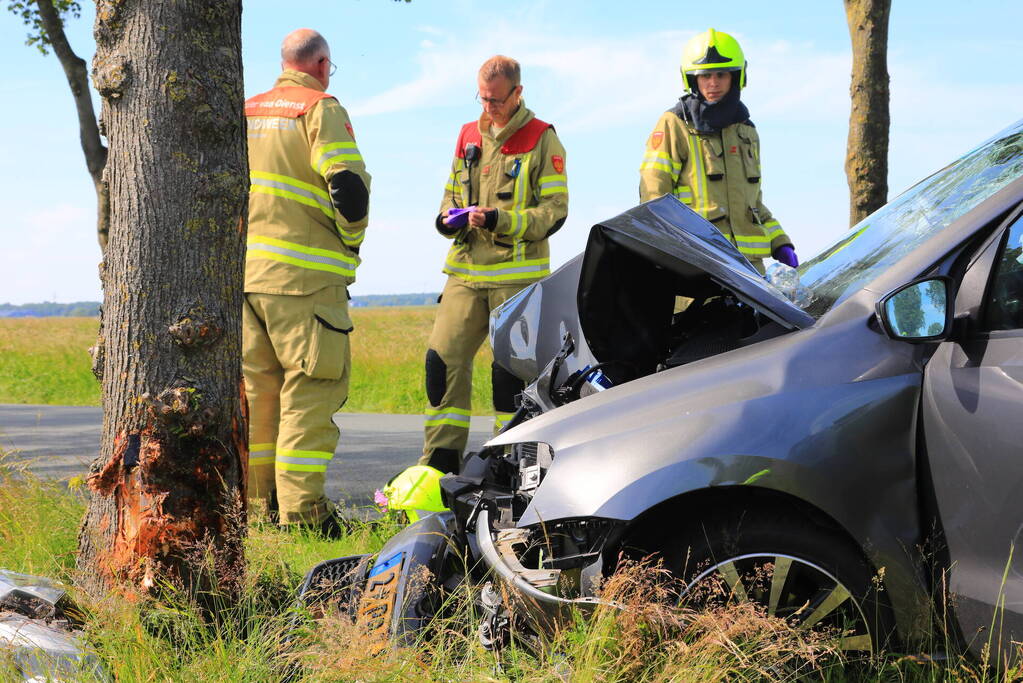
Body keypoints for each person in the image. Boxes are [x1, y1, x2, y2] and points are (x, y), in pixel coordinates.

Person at [242, 29, 370, 535]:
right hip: (306, 281)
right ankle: (303, 519)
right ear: (320, 65)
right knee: (309, 395)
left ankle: (256, 515)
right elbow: (348, 186)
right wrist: (351, 241)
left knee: (259, 397)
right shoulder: (319, 107)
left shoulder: (247, 111)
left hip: (249, 282)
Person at [420, 55, 569, 475]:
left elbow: (555, 212)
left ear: (518, 93)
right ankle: (441, 462)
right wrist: (449, 218)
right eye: (483, 100)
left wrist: (500, 219)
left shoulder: (543, 138)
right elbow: (450, 195)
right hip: (465, 271)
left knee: (510, 377)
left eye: (498, 100)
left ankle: (515, 465)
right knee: (441, 362)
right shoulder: (468, 134)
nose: (490, 108)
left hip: (517, 279)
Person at [639, 28, 797, 273]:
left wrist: (780, 242)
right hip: (698, 264)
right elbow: (654, 197)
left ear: (736, 76)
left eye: (721, 74)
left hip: (751, 270)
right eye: (705, 75)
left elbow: (753, 202)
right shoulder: (674, 124)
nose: (713, 83)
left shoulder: (747, 131)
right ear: (692, 79)